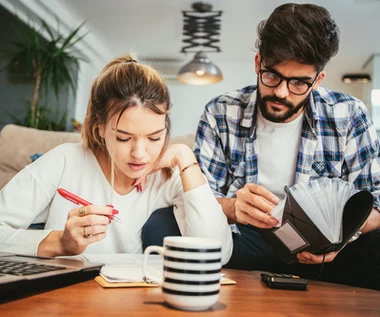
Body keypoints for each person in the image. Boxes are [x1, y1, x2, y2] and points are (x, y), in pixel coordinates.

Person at [194, 3, 380, 290]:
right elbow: (200, 197)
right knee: (162, 224)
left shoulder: (350, 115)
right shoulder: (220, 111)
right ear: (258, 63)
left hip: (329, 252)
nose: (281, 92)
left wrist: (344, 238)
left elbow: (375, 202)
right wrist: (232, 207)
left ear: (317, 80)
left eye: (298, 83)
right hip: (246, 239)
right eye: (271, 76)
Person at [0, 54, 233, 265]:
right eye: (123, 138)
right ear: (100, 127)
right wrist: (59, 243)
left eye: (154, 137)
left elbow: (216, 253)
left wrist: (185, 157)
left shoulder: (169, 176)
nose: (140, 154)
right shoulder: (64, 160)